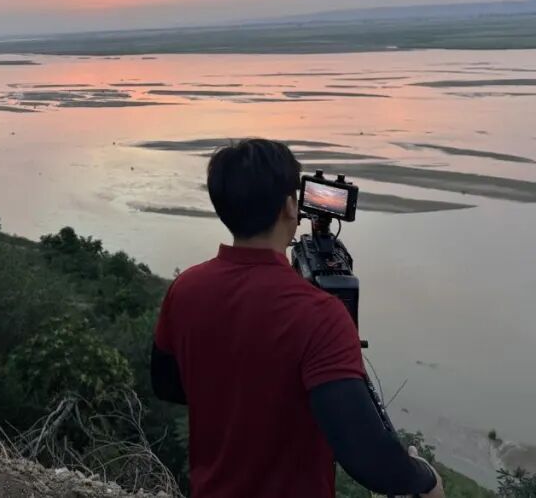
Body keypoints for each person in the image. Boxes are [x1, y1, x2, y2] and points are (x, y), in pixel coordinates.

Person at [151, 138, 444, 498]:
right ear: (291, 205)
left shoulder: (185, 289)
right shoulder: (320, 314)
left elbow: (166, 385)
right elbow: (366, 455)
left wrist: (241, 396)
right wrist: (425, 479)